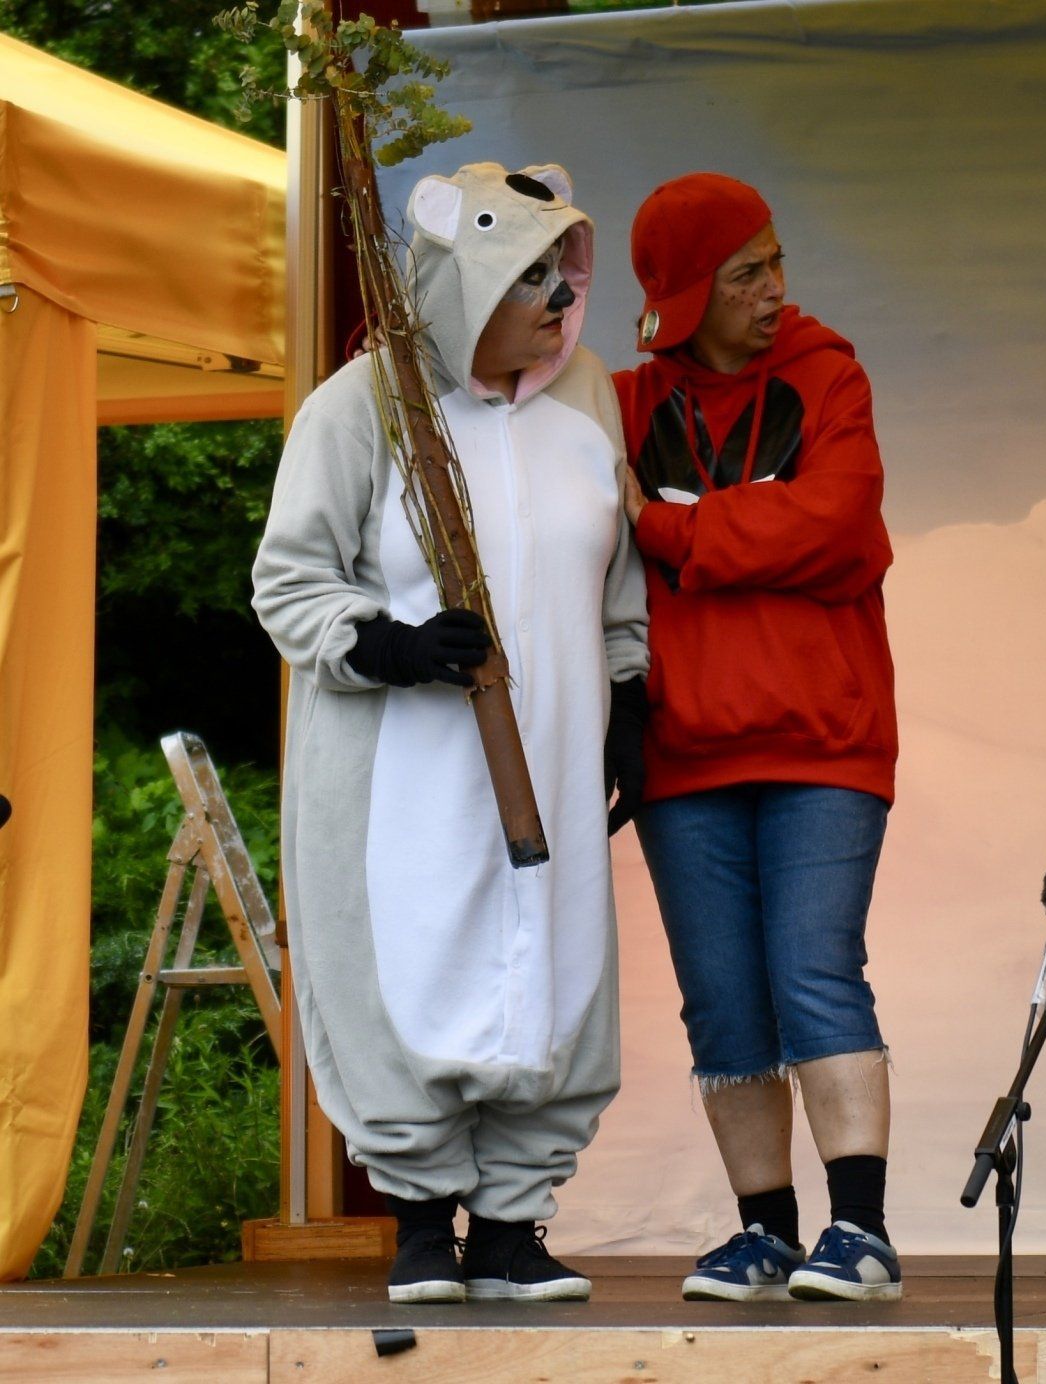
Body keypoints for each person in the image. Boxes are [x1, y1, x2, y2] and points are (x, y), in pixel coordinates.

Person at [253, 162, 650, 1305]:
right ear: (462, 284)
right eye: (527, 277)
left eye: (562, 276)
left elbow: (618, 578)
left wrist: (627, 698)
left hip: (552, 765)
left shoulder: (587, 404)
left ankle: (516, 1225)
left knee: (553, 958)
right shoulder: (361, 407)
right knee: (413, 959)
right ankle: (423, 1219)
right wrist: (390, 644)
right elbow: (289, 579)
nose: (557, 302)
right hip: (402, 774)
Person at [613, 172, 901, 1303]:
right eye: (747, 272)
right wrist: (725, 538)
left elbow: (839, 522)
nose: (776, 289)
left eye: (777, 261)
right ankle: (767, 1231)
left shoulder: (830, 373)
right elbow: (614, 530)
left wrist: (670, 530)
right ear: (687, 295)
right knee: (723, 998)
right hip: (686, 751)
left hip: (825, 739)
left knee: (815, 971)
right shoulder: (624, 405)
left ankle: (862, 1232)